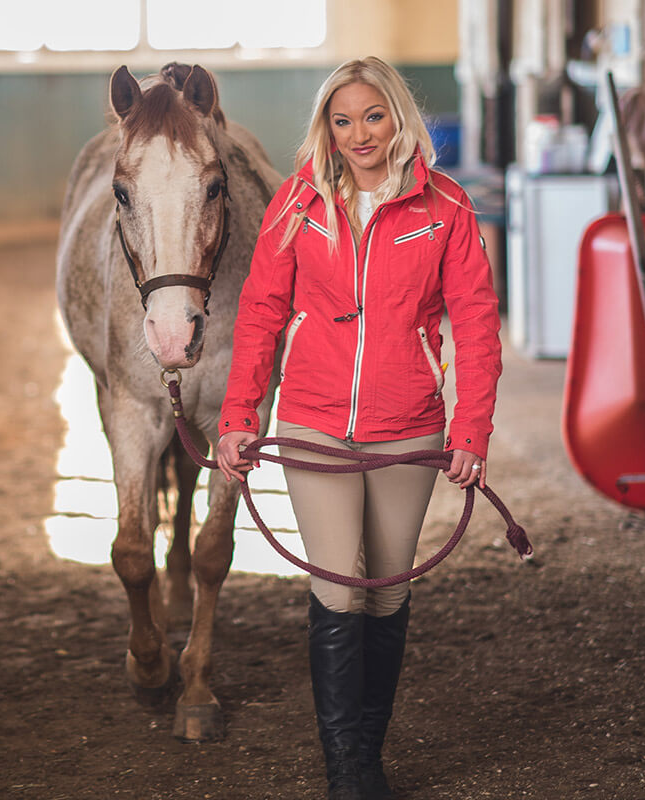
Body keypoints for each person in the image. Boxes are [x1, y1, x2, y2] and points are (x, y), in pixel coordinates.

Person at [216, 57, 502, 800]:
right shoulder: (297, 202)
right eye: (342, 121)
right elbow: (259, 315)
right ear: (327, 128)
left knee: (386, 593)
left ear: (397, 116)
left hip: (409, 428)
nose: (358, 134)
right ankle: (349, 771)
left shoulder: (446, 207)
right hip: (313, 422)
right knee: (341, 586)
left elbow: (475, 325)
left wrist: (470, 428)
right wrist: (239, 416)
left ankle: (367, 753)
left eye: (372, 116)